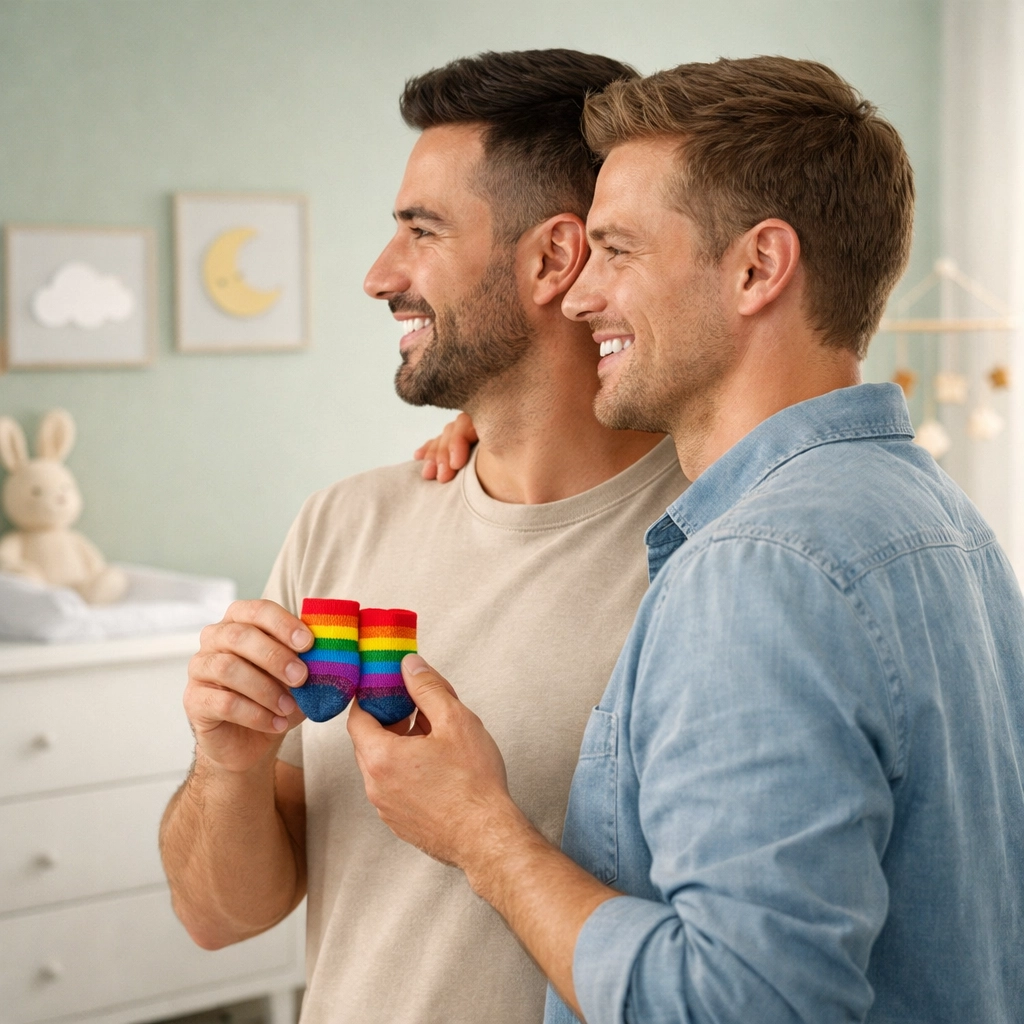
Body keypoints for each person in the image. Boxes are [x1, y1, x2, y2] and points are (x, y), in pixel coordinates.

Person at [348, 56, 1024, 1024]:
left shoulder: (761, 569)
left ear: (756, 268)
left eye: (617, 251)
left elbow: (737, 1003)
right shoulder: (938, 522)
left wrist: (480, 833)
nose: (581, 297)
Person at [158, 50, 688, 1024]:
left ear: (551, 259)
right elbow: (218, 916)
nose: (377, 275)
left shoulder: (717, 559)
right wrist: (225, 764)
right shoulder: (342, 523)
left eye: (420, 231)